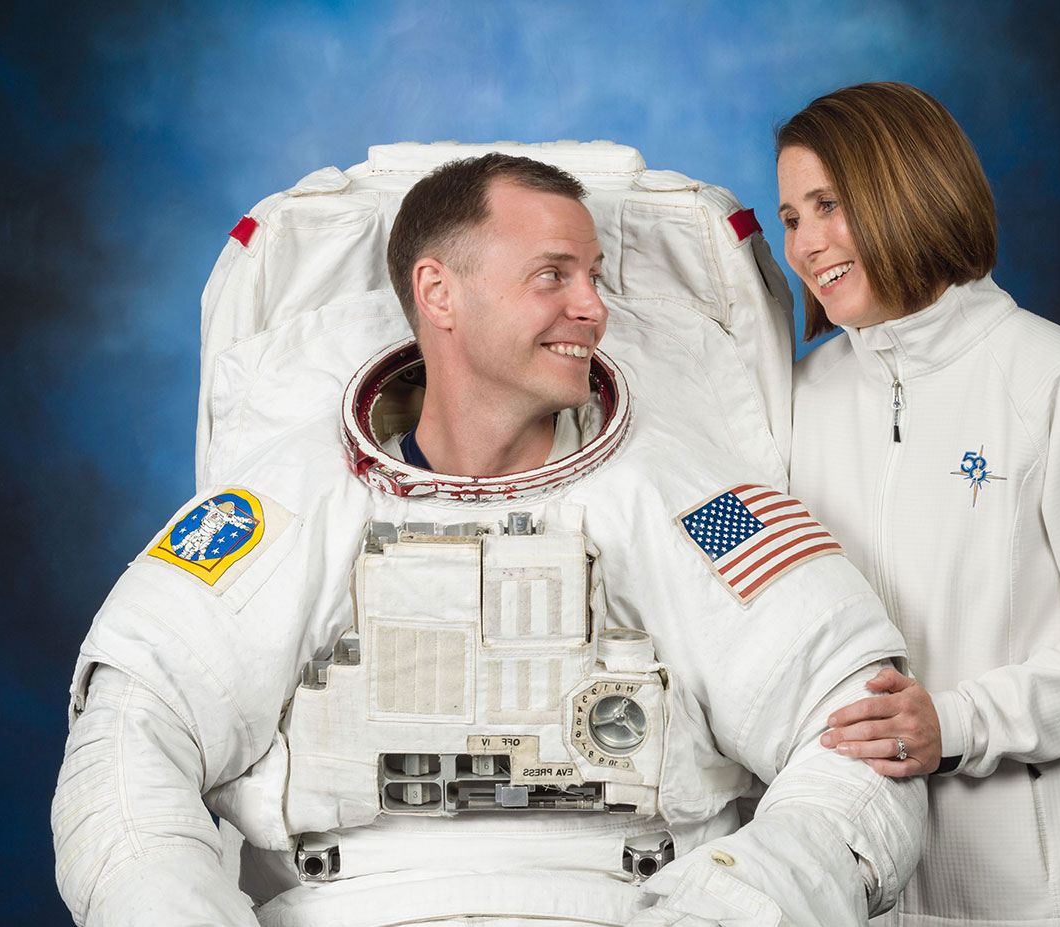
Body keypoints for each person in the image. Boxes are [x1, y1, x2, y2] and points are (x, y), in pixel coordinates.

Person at [53, 151, 924, 926]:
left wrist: (729, 908)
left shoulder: (694, 499)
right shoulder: (283, 503)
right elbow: (128, 739)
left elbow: (859, 737)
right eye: (554, 276)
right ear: (439, 294)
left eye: (596, 275)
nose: (593, 308)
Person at [778, 81, 1060, 926]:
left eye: (827, 204)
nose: (806, 243)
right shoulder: (799, 398)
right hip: (861, 878)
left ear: (904, 189)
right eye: (791, 217)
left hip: (1041, 885)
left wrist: (957, 722)